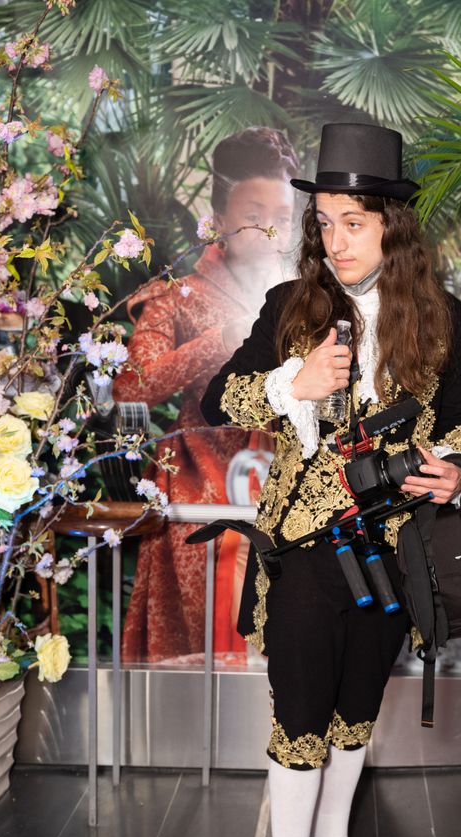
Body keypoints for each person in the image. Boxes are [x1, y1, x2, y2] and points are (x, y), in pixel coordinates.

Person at [200, 123, 461, 837]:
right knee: (301, 716)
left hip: (395, 548)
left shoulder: (443, 318)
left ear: (393, 226)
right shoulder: (292, 305)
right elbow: (221, 395)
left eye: (352, 222)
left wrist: (457, 469)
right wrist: (295, 384)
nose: (335, 239)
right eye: (323, 222)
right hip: (304, 550)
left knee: (359, 703)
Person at [113, 127, 297, 664]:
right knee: (204, 640)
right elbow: (131, 385)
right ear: (218, 220)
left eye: (282, 217)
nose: (269, 229)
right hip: (200, 482)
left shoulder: (312, 296)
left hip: (293, 477)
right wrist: (219, 341)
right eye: (253, 212)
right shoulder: (177, 296)